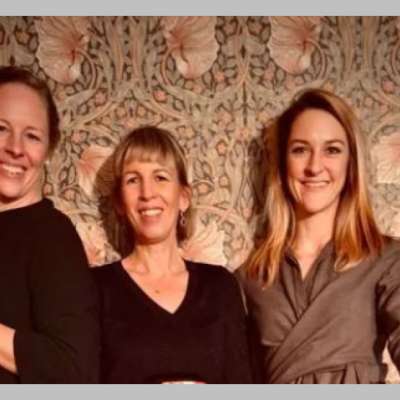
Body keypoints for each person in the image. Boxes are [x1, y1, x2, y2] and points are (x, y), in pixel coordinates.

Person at [239, 88, 400, 384]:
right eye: (300, 150)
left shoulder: (386, 259)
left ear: (351, 164)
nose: (314, 167)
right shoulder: (251, 278)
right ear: (282, 163)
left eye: (332, 150)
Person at [92, 126, 252, 383]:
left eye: (160, 177)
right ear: (120, 202)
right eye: (133, 180)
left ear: (183, 197)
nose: (147, 193)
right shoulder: (95, 288)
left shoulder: (220, 286)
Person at [0, 65, 99, 383]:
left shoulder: (53, 236)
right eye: (1, 128)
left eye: (32, 136)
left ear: (48, 150)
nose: (15, 148)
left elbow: (74, 370)